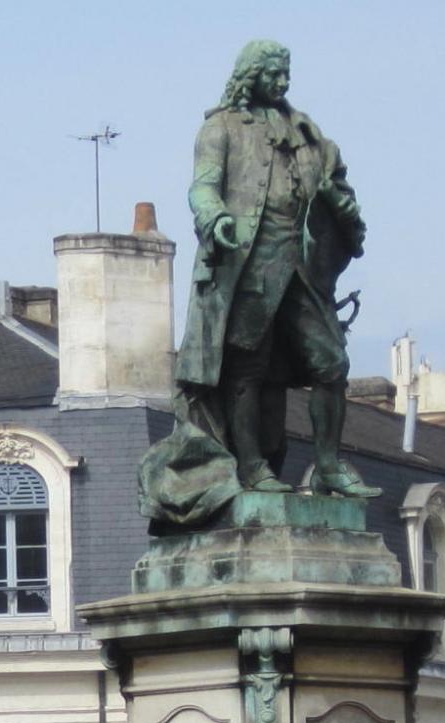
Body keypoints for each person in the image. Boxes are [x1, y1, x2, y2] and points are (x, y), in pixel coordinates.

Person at [146, 40, 376, 527]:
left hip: (305, 268)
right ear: (250, 74)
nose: (283, 81)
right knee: (246, 366)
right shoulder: (221, 129)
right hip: (248, 265)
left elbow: (339, 189)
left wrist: (345, 209)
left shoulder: (311, 135)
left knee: (331, 363)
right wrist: (215, 218)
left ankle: (329, 466)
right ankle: (250, 467)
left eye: (287, 72)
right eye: (274, 72)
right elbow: (203, 186)